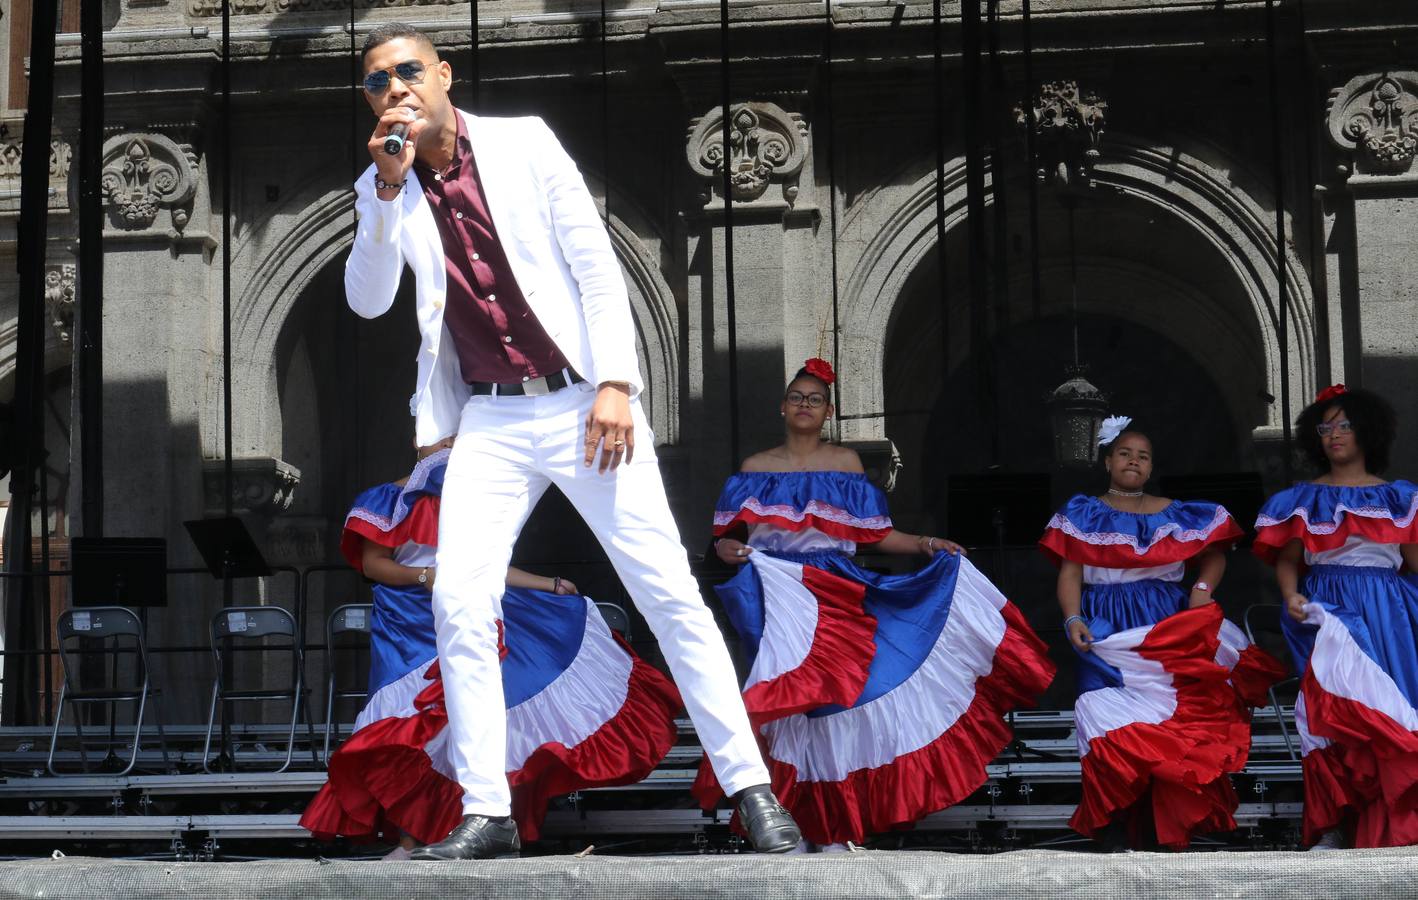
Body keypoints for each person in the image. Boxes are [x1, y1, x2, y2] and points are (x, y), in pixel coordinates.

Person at [346, 24, 797, 859]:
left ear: (444, 75)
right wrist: (382, 189)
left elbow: (594, 264)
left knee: (668, 592)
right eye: (378, 81)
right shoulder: (388, 186)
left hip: (581, 401)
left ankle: (752, 791)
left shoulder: (523, 143)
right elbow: (369, 300)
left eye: (410, 70)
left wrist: (618, 384)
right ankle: (486, 811)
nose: (397, 87)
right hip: (488, 418)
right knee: (458, 599)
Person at [692, 359, 1056, 849]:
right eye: (797, 397)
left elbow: (878, 535)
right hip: (774, 596)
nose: (804, 404)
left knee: (837, 706)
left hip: (835, 590)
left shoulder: (845, 464)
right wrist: (728, 550)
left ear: (828, 411)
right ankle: (786, 825)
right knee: (786, 708)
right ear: (782, 407)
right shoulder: (754, 468)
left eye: (814, 399)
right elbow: (723, 542)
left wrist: (927, 543)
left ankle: (833, 828)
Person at [299, 444, 683, 857]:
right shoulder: (386, 498)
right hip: (410, 625)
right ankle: (410, 840)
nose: (449, 446)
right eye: (442, 438)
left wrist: (546, 585)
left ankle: (478, 827)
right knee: (413, 730)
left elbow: (489, 567)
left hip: (467, 609)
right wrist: (426, 575)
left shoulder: (475, 498)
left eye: (456, 438)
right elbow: (373, 563)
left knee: (474, 722)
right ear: (420, 440)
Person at [1041, 416, 1283, 850]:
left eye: (1143, 456)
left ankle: (1164, 828)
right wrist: (1072, 618)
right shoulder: (1081, 512)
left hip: (1165, 626)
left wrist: (1202, 592)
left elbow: (1214, 556)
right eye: (1124, 453)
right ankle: (1115, 824)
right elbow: (1070, 572)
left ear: (1151, 467)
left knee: (1173, 724)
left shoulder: (1177, 512)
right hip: (1105, 627)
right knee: (1099, 713)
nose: (1134, 461)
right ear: (1107, 461)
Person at [1253, 385, 1418, 850]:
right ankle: (1335, 822)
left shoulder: (1400, 497)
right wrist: (1290, 596)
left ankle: (1395, 823)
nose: (1334, 435)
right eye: (1325, 427)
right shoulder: (1301, 498)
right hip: (1326, 609)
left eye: (1344, 424)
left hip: (1388, 611)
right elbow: (1287, 559)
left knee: (1387, 706)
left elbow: (1413, 560)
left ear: (1368, 430)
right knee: (1330, 714)